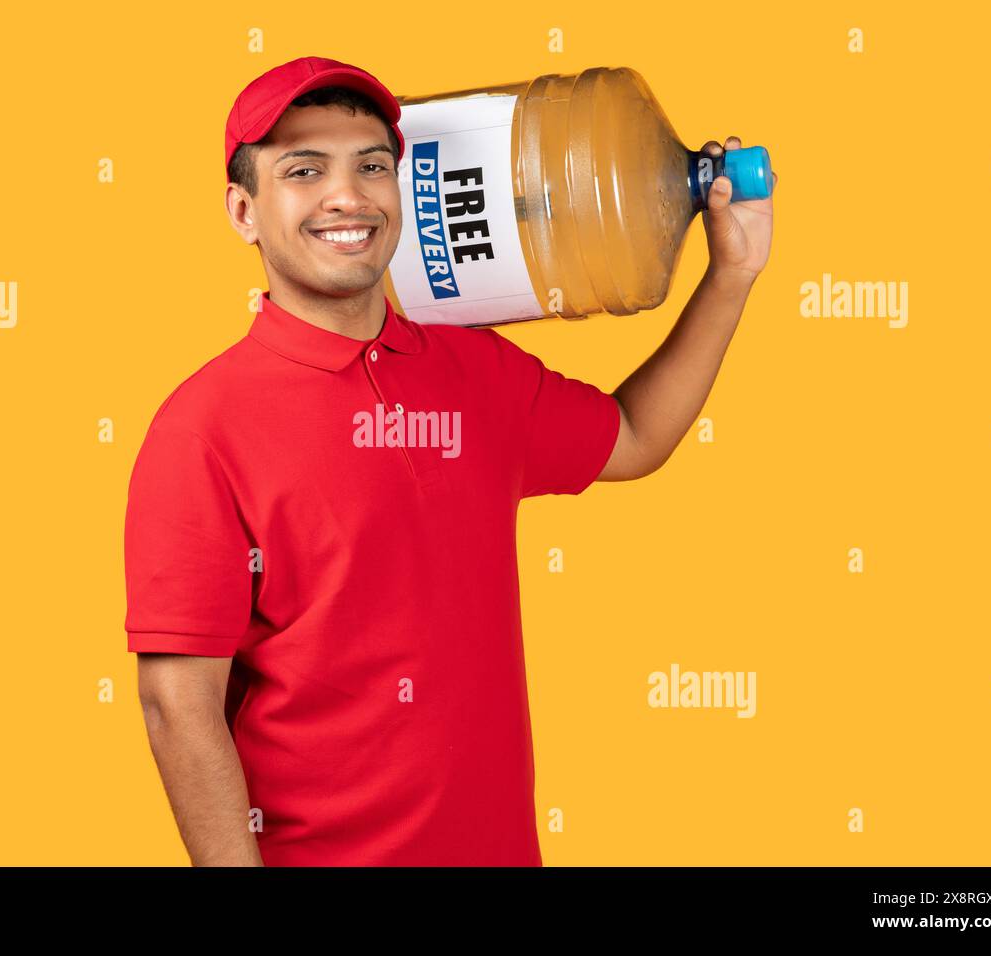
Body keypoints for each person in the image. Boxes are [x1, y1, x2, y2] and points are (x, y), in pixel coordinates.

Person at [124, 56, 776, 866]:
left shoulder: (474, 370)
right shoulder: (200, 428)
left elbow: (636, 434)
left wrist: (732, 275)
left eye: (372, 166)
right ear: (244, 211)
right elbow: (175, 703)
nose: (347, 196)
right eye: (304, 170)